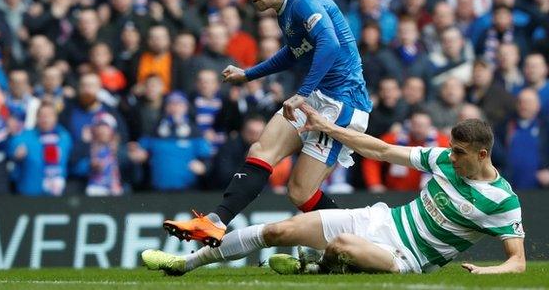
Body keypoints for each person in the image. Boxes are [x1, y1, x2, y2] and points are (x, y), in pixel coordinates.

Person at [143, 104, 525, 275]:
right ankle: (184, 264)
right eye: (451, 150)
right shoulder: (443, 159)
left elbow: (518, 262)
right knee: (279, 230)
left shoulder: (503, 201)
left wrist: (489, 274)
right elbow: (380, 148)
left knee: (340, 245)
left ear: (482, 153)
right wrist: (326, 127)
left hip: (403, 255)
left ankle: (310, 269)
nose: (451, 157)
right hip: (381, 220)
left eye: (459, 153)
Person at [163, 0, 372, 247]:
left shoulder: (304, 1)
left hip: (343, 104)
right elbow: (294, 51)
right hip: (319, 96)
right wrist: (249, 74)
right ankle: (214, 223)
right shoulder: (286, 8)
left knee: (299, 192)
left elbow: (330, 45)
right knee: (261, 149)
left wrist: (300, 94)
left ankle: (361, 244)